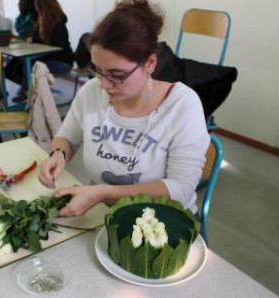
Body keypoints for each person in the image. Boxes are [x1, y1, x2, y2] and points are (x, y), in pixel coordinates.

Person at [38, 0, 210, 217]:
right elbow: (67, 138)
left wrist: (102, 193)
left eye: (117, 75)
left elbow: (180, 189)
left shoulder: (181, 105)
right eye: (98, 70)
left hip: (160, 221)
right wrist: (58, 155)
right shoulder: (92, 91)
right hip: (101, 213)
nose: (104, 84)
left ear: (150, 63)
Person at [11, 0, 74, 102]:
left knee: (33, 65)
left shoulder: (59, 24)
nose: (36, 10)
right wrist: (33, 39)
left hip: (63, 61)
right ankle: (28, 92)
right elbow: (40, 39)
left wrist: (39, 48)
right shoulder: (41, 21)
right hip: (50, 58)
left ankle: (26, 93)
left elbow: (57, 48)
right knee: (21, 64)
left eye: (37, 8)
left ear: (44, 8)